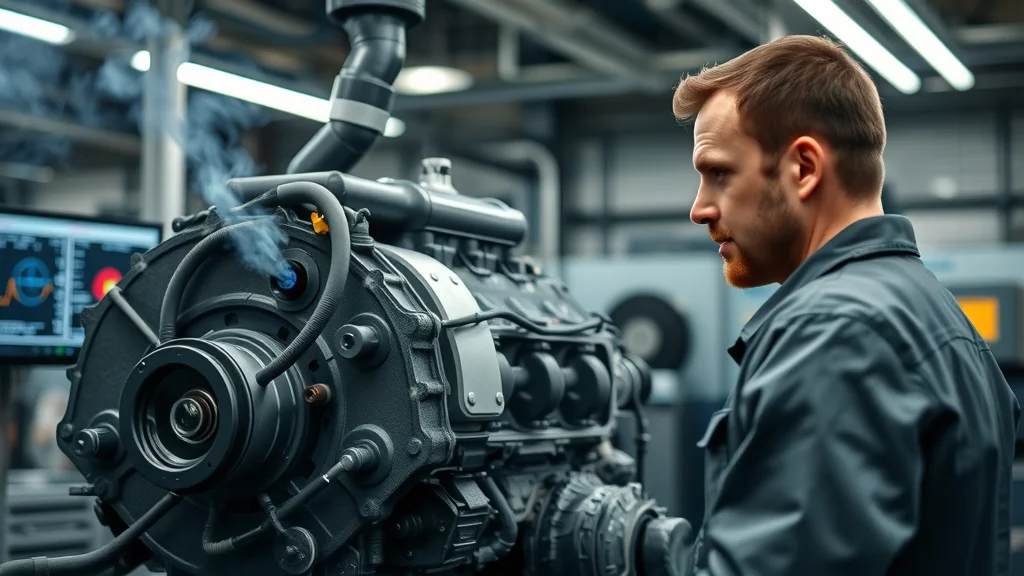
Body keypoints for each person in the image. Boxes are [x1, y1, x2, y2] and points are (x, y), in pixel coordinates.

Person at [673, 34, 1021, 575]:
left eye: (718, 172)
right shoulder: (929, 311)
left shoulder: (833, 333)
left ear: (804, 168)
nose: (699, 208)